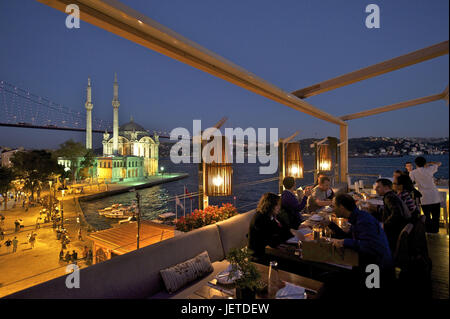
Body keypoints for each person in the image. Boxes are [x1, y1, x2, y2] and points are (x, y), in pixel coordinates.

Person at [248, 193, 296, 263]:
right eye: (277, 205)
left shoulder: (272, 215)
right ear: (270, 205)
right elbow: (271, 240)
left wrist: (292, 231)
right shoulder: (260, 218)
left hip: (270, 250)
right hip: (259, 255)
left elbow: (285, 228)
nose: (279, 207)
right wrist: (288, 234)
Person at [373, 178, 411, 252]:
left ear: (386, 187)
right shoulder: (392, 195)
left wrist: (384, 225)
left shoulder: (389, 197)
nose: (375, 189)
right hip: (398, 228)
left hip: (393, 233)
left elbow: (397, 214)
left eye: (378, 187)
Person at [409, 156, 442, 233]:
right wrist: (430, 163)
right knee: (436, 217)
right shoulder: (430, 169)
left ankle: (429, 232)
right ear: (424, 163)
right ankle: (435, 232)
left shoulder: (413, 172)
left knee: (427, 216)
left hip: (424, 197)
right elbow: (439, 163)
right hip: (435, 196)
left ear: (416, 164)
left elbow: (410, 183)